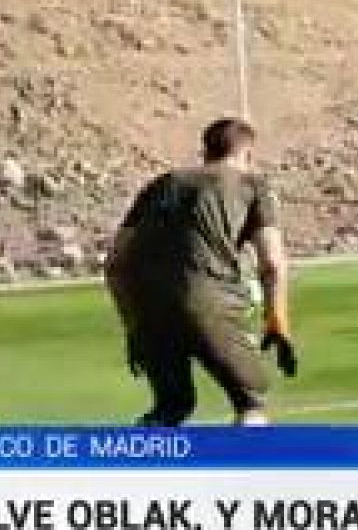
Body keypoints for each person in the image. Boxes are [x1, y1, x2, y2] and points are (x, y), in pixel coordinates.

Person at [104, 118, 298, 426]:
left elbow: (115, 264)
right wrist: (278, 321)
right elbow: (273, 263)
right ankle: (245, 468)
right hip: (206, 300)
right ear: (248, 154)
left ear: (205, 151)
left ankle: (131, 466)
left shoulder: (164, 183)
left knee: (172, 406)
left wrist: (134, 326)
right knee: (251, 399)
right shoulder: (251, 186)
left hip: (144, 304)